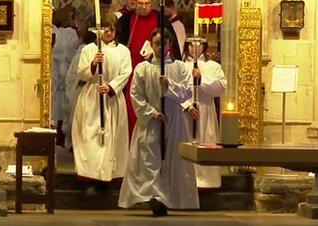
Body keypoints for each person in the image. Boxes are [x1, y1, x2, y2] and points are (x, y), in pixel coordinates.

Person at [119, 28, 199, 216]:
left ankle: (169, 197)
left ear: (169, 45)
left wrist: (169, 86)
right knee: (150, 159)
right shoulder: (143, 68)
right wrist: (152, 113)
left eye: (163, 43)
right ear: (151, 45)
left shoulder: (179, 67)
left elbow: (187, 93)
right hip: (152, 120)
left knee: (171, 159)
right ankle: (154, 197)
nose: (159, 47)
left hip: (174, 120)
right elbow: (136, 94)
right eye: (156, 43)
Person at [72, 20, 132, 195]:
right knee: (90, 137)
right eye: (105, 29)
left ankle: (108, 178)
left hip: (112, 98)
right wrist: (93, 64)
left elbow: (126, 72)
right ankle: (90, 178)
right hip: (92, 96)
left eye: (112, 29)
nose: (108, 32)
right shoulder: (89, 49)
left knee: (111, 138)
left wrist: (111, 87)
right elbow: (81, 72)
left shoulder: (122, 51)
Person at [115, 0, 182, 137]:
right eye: (140, 4)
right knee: (133, 109)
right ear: (135, 3)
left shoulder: (160, 18)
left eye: (147, 4)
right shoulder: (127, 19)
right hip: (132, 72)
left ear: (152, 4)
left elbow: (170, 44)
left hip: (157, 71)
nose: (144, 7)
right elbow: (118, 43)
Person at [184, 40, 226, 189]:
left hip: (206, 109)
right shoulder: (181, 66)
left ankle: (207, 181)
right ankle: (186, 180)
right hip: (186, 112)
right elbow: (175, 90)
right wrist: (186, 105)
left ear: (204, 46)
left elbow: (220, 87)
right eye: (190, 45)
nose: (194, 48)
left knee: (206, 142)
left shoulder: (213, 66)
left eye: (198, 45)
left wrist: (201, 78)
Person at [64, 29, 98, 152]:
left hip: (88, 88)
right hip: (82, 88)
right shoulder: (85, 51)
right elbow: (78, 73)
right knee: (81, 120)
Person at [51, 4, 79, 146]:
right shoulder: (59, 32)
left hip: (71, 74)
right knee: (57, 106)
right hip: (57, 74)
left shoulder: (73, 34)